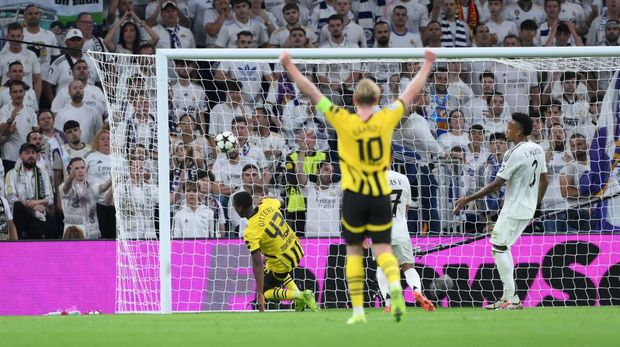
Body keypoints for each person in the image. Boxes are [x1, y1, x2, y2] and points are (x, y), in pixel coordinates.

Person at [280, 49, 436, 323]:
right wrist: (427, 64)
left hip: (354, 195)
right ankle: (397, 291)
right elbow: (411, 92)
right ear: (377, 100)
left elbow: (312, 92)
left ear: (353, 100)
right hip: (379, 193)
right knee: (384, 250)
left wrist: (289, 65)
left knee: (353, 252)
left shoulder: (344, 119)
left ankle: (359, 311)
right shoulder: (386, 118)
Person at [453, 113, 549, 309]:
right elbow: (544, 180)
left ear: (519, 130)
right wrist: (535, 206)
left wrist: (466, 199)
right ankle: (509, 297)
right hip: (527, 208)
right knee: (503, 246)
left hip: (513, 208)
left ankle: (511, 298)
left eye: (509, 127)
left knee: (497, 246)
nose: (507, 130)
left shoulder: (514, 153)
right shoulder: (538, 149)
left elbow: (496, 184)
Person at [232, 190, 318, 312]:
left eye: (234, 205)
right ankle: (299, 298)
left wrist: (260, 293)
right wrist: (270, 197)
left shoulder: (250, 231)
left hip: (282, 261)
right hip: (296, 248)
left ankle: (301, 296)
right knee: (271, 267)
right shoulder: (267, 203)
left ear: (239, 208)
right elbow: (282, 201)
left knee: (267, 290)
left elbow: (257, 264)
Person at [372, 169, 435, 312]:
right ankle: (417, 291)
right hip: (401, 231)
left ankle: (389, 303)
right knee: (408, 266)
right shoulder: (403, 178)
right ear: (392, 158)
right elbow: (407, 207)